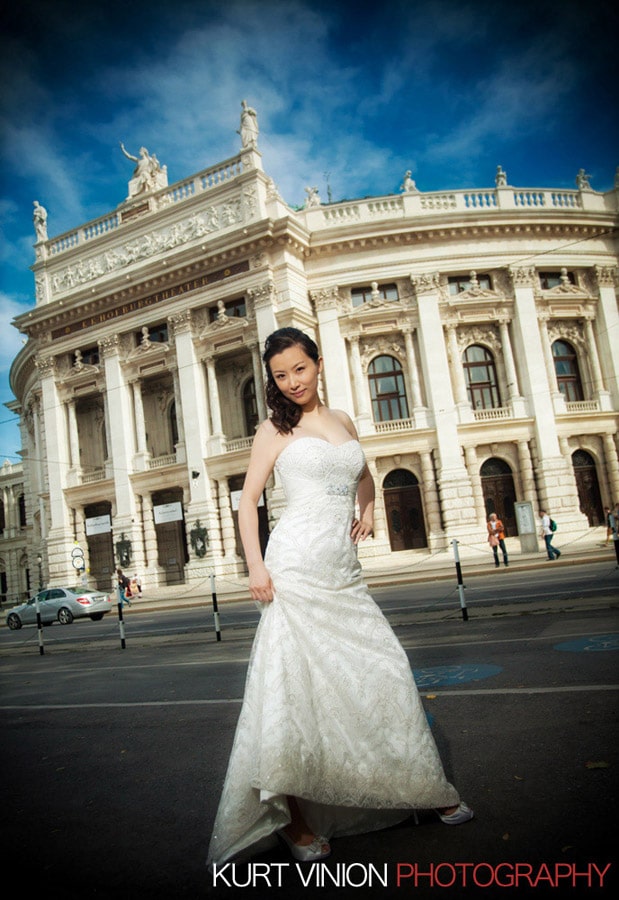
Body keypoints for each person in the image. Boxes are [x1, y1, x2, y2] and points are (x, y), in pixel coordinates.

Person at [206, 328, 472, 868]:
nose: (292, 382)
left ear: (318, 363)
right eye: (281, 375)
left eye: (299, 369)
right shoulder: (274, 429)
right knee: (297, 693)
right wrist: (255, 565)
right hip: (295, 570)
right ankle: (296, 822)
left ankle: (425, 787)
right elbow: (248, 501)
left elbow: (364, 477)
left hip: (345, 574)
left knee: (385, 672)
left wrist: (368, 510)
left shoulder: (343, 422)